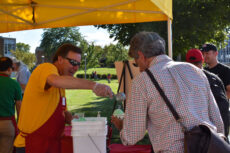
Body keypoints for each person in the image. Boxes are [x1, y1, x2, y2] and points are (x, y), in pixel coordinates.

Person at [111, 32, 224, 153]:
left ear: (141, 55)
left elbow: (132, 137)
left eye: (136, 62)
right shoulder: (195, 70)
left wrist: (122, 127)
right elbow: (217, 121)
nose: (139, 68)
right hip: (208, 147)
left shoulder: (141, 81)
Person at [14, 43, 113, 153]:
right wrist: (94, 85)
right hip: (32, 144)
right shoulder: (46, 67)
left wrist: (71, 119)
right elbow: (55, 80)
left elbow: (62, 112)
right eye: (73, 62)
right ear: (60, 59)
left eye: (78, 64)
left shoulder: (60, 87)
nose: (75, 67)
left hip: (51, 145)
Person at [186, 48, 229, 137]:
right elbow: (223, 104)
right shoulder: (214, 78)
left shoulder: (183, 80)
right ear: (202, 60)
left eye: (207, 53)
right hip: (217, 122)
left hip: (197, 127)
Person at [0, 57, 22, 153]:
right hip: (7, 124)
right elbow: (19, 107)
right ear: (9, 69)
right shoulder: (14, 84)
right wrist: (20, 125)